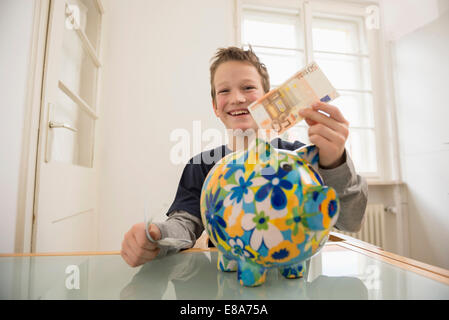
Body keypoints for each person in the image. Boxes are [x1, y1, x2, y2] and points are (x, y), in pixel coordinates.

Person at [120, 46, 368, 267]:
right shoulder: (201, 166)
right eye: (224, 91)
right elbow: (185, 224)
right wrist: (157, 235)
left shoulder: (301, 159)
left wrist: (335, 162)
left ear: (267, 98)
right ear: (215, 107)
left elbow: (350, 221)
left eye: (248, 87)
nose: (237, 98)